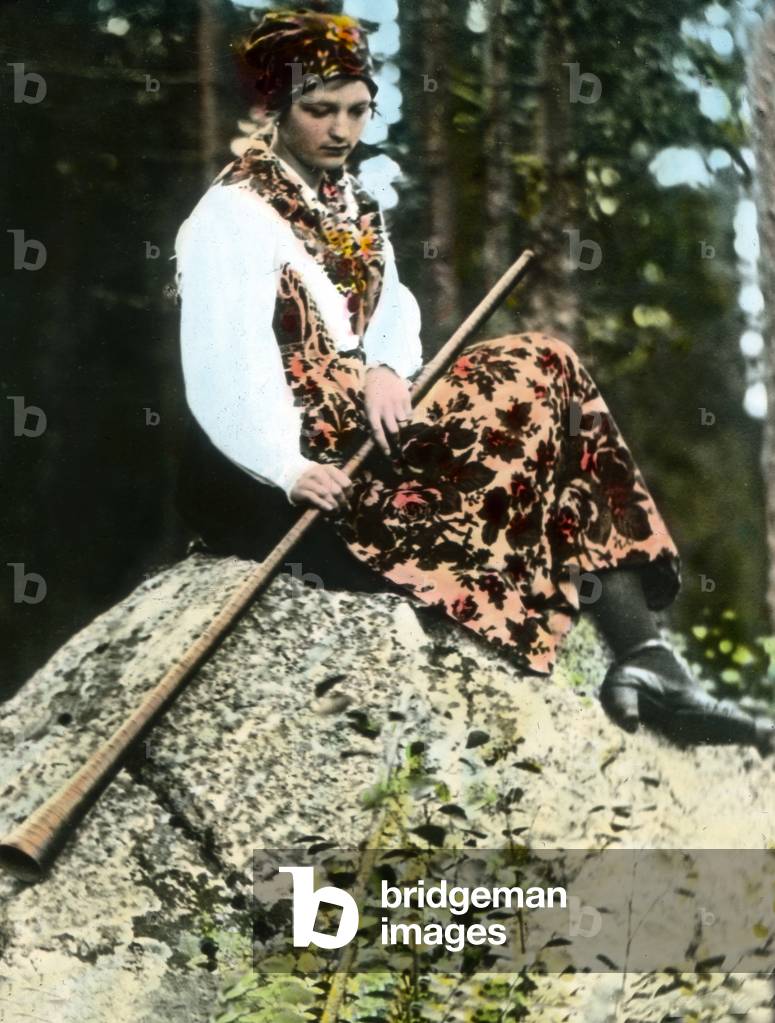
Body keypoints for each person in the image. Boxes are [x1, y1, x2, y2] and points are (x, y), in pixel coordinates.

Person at [173, 8, 773, 755]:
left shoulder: (352, 206)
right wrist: (288, 465)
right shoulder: (230, 214)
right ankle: (643, 666)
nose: (340, 129)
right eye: (318, 110)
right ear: (272, 107)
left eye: (356, 110)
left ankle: (645, 660)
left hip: (367, 427)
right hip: (289, 478)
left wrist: (388, 367)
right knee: (535, 408)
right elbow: (221, 368)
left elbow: (394, 309)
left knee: (545, 366)